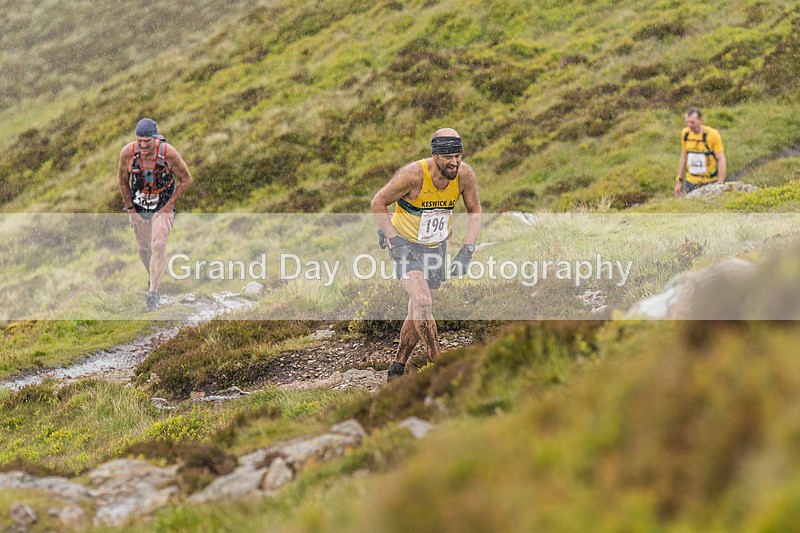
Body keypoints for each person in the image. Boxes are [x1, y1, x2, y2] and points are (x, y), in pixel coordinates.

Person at [371, 128, 482, 381]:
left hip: (436, 247)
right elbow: (378, 202)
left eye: (458, 155)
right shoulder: (412, 176)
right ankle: (440, 366)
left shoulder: (464, 175)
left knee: (418, 308)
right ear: (435, 156)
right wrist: (393, 239)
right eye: (448, 158)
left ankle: (397, 368)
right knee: (422, 301)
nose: (454, 162)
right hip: (405, 246)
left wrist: (468, 249)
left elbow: (475, 209)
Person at [118, 118, 193, 312]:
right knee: (144, 249)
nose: (143, 145)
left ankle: (153, 293)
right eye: (139, 141)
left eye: (147, 142)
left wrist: (169, 207)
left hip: (163, 202)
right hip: (139, 203)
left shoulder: (168, 153)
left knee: (158, 244)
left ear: (155, 139)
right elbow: (123, 182)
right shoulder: (128, 153)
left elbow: (186, 179)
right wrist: (131, 211)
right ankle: (152, 277)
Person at [674, 106, 726, 197]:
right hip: (690, 183)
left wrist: (720, 183)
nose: (690, 125)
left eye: (692, 122)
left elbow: (721, 159)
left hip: (709, 182)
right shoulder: (685, 134)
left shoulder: (713, 135)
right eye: (687, 122)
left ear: (701, 120)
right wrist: (679, 181)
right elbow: (683, 157)